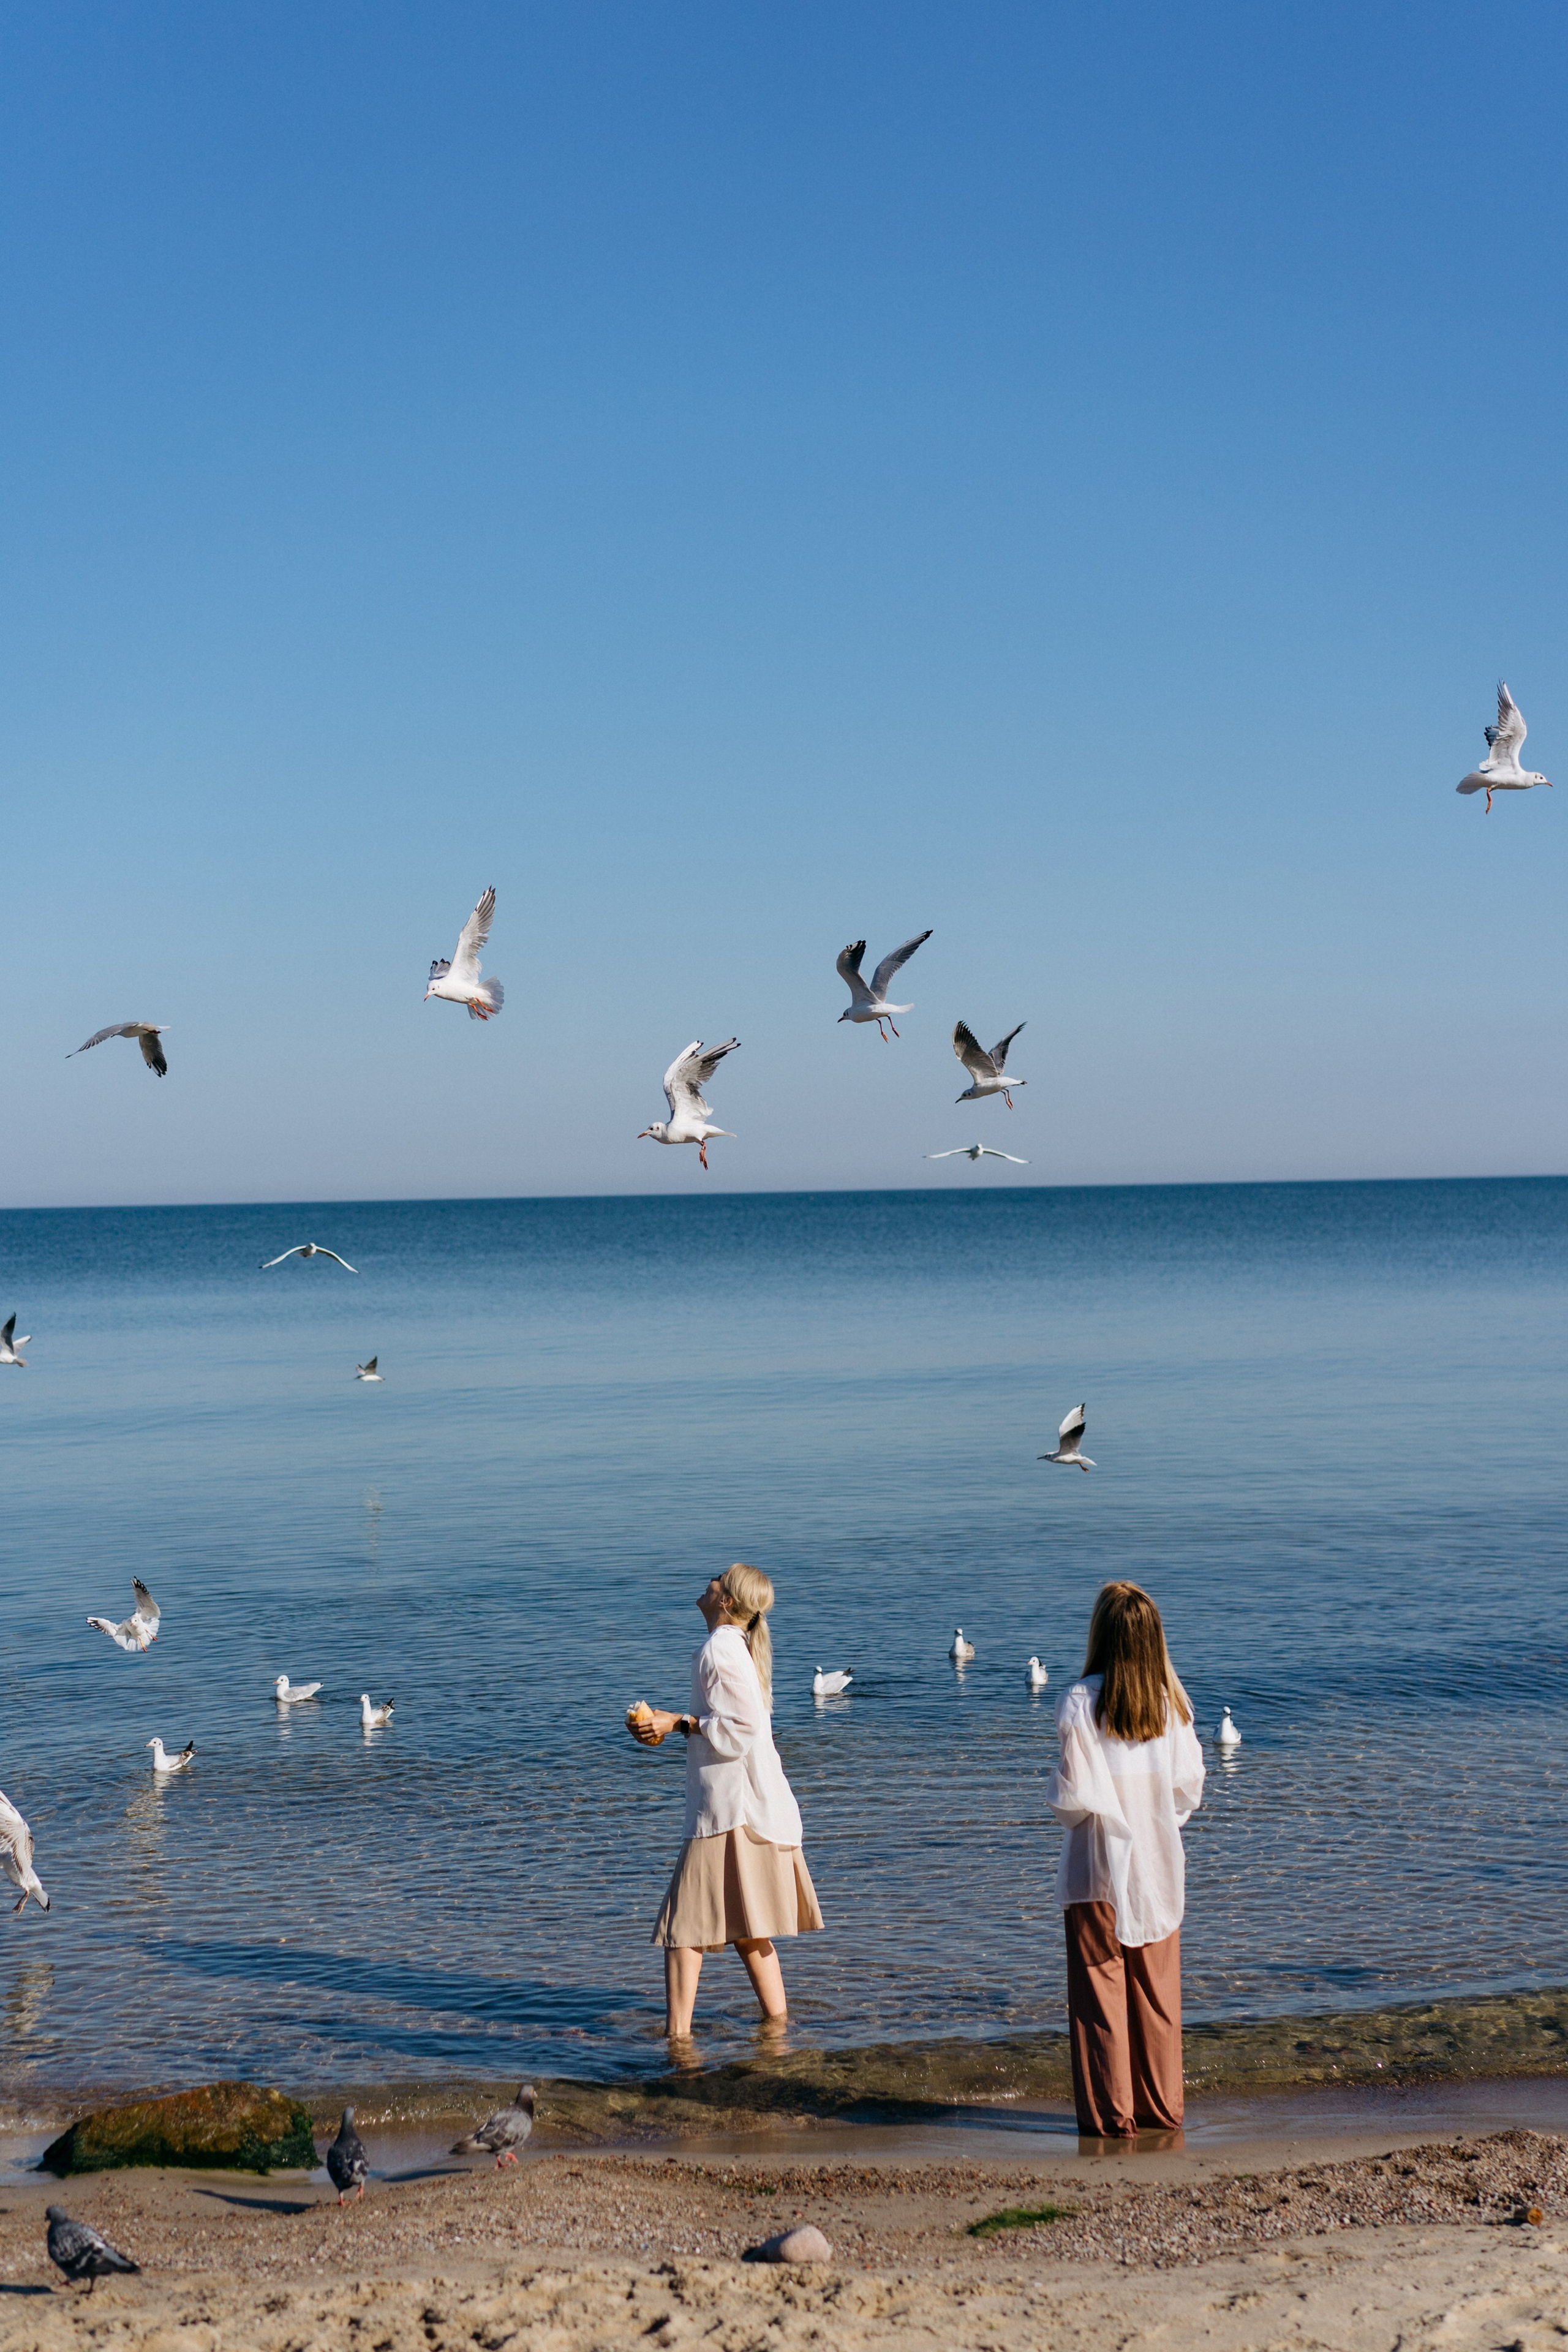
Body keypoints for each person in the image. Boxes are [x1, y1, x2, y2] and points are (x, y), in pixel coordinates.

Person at [631, 1562, 824, 2040]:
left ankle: (678, 2043)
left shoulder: (720, 1649)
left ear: (727, 1601)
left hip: (728, 1812)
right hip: (750, 1807)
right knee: (747, 1929)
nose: (709, 1579)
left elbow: (739, 1731)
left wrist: (678, 1723)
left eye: (718, 1577)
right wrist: (675, 1724)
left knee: (682, 1928)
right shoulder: (737, 1648)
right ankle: (778, 2029)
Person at [1046, 1580, 1205, 2138]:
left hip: (1097, 1872)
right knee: (1158, 2002)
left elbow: (1071, 1804)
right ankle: (1163, 2114)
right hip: (1159, 1873)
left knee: (1100, 2003)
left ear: (1102, 1635)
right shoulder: (1172, 1707)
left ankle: (1112, 2123)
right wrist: (1154, 1821)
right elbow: (1189, 1791)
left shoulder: (1080, 1701)